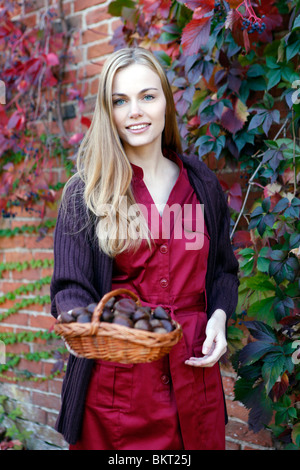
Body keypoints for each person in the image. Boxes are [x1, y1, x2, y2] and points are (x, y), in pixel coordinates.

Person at [50, 47, 239, 450]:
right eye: (120, 100)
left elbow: (224, 270)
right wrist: (85, 327)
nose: (135, 111)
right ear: (109, 111)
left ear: (165, 102)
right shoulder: (86, 193)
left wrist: (219, 317)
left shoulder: (202, 183)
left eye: (147, 96)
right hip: (118, 390)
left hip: (195, 377)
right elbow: (70, 289)